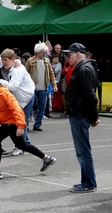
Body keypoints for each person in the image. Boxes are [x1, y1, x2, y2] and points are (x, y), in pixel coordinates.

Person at [0, 73, 56, 180]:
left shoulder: (4, 94)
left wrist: (20, 126)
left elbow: (16, 109)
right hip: (6, 123)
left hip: (13, 123)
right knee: (22, 145)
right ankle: (46, 158)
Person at [63, 43, 99, 193]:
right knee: (83, 150)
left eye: (70, 55)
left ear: (78, 54)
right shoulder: (85, 67)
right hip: (79, 112)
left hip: (80, 113)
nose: (67, 58)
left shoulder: (83, 69)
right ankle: (86, 181)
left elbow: (90, 96)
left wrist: (93, 115)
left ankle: (89, 183)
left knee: (83, 151)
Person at [0, 48, 35, 156]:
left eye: (6, 60)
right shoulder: (9, 62)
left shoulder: (18, 70)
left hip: (26, 97)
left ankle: (23, 145)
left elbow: (13, 86)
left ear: (13, 59)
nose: (3, 62)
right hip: (18, 98)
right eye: (2, 60)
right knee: (18, 121)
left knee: (21, 122)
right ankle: (22, 145)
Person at [25, 42, 57, 131]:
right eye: (43, 52)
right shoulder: (30, 61)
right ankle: (25, 124)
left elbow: (51, 73)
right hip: (32, 88)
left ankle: (37, 124)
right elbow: (25, 74)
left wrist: (54, 84)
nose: (45, 53)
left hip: (43, 87)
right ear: (38, 51)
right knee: (29, 107)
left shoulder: (47, 61)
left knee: (42, 107)